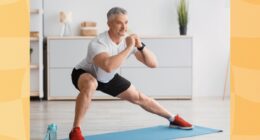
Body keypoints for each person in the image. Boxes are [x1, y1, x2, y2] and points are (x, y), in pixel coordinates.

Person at [69, 7, 193, 140]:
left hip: (108, 78)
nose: (124, 27)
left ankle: (172, 118)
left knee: (139, 97)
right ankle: (75, 130)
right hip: (85, 73)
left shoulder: (128, 40)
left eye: (126, 22)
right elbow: (108, 66)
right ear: (109, 24)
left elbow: (153, 64)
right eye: (119, 23)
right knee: (91, 83)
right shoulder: (98, 43)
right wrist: (129, 47)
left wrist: (140, 46)